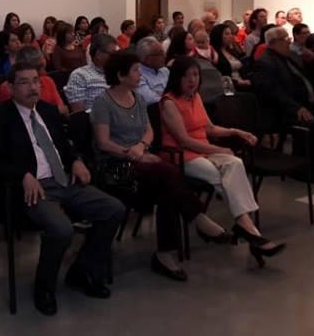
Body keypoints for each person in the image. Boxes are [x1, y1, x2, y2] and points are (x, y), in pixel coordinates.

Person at [0, 64, 124, 316]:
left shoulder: (47, 111)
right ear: (11, 88)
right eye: (24, 82)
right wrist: (22, 175)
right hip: (31, 189)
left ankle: (82, 270)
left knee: (113, 209)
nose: (33, 87)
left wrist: (77, 161)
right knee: (61, 229)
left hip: (63, 180)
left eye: (36, 81)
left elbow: (64, 147)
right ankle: (44, 288)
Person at [91, 52, 230, 282]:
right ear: (120, 75)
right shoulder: (102, 103)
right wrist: (133, 154)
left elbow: (149, 131)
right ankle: (197, 221)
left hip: (142, 161)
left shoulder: (137, 98)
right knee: (168, 174)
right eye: (135, 70)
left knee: (167, 188)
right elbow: (103, 142)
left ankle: (166, 254)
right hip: (114, 168)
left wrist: (142, 147)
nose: (139, 74)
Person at [160, 57, 286, 267]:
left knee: (235, 163)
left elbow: (209, 128)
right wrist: (218, 148)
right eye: (187, 76)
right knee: (218, 174)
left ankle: (247, 228)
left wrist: (236, 131)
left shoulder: (195, 97)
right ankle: (250, 230)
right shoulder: (169, 102)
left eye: (195, 75)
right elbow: (183, 140)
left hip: (204, 150)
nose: (192, 80)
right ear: (177, 78)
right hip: (181, 155)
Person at [252, 27, 314, 178]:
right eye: (285, 38)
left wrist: (311, 63)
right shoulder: (265, 62)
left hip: (306, 104)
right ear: (274, 42)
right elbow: (273, 92)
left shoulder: (289, 57)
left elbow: (309, 79)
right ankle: (303, 168)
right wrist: (296, 108)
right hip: (283, 110)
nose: (289, 41)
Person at [0, 47, 68, 115]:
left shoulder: (48, 81)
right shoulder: (9, 87)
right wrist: (53, 111)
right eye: (40, 68)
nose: (45, 72)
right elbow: (20, 115)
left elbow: (63, 110)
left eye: (44, 67)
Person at [64, 33, 116, 113]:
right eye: (112, 54)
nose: (116, 57)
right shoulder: (79, 75)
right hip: (97, 121)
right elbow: (79, 114)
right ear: (98, 54)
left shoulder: (119, 74)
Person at [135, 37, 169, 105]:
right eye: (161, 54)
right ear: (148, 59)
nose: (165, 56)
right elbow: (149, 99)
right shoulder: (137, 74)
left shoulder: (165, 70)